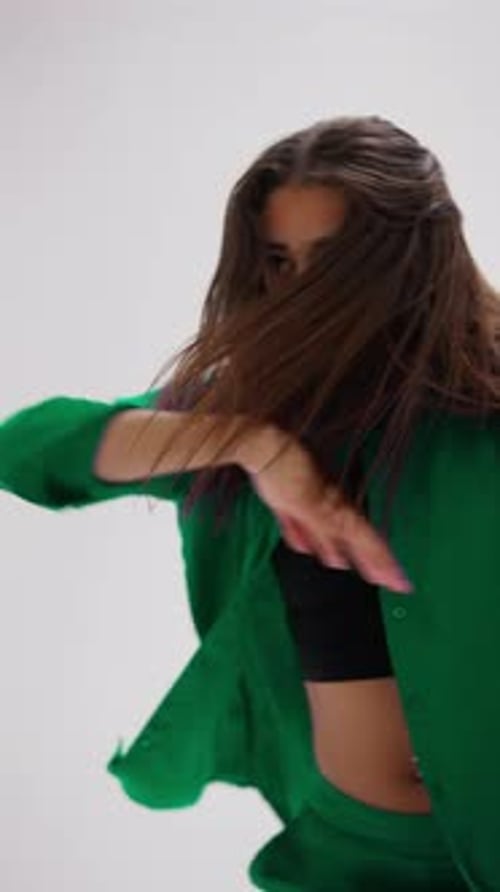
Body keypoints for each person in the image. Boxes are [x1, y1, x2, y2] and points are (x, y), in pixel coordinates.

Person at [2, 114, 499, 890]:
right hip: (344, 854)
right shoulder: (246, 412)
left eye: (330, 263)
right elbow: (26, 449)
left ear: (408, 256)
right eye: (277, 262)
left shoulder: (485, 406)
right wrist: (250, 445)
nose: (299, 292)